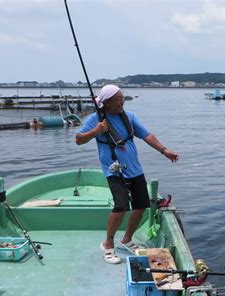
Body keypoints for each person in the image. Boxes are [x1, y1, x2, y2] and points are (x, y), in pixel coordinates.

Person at [76, 85, 179, 264]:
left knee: (141, 206)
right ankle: (108, 244)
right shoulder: (96, 119)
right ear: (106, 103)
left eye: (122, 98)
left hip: (134, 169)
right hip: (114, 170)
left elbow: (147, 136)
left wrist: (164, 150)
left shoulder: (129, 117)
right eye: (118, 99)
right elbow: (79, 139)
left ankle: (127, 239)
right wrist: (96, 131)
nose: (121, 101)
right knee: (121, 206)